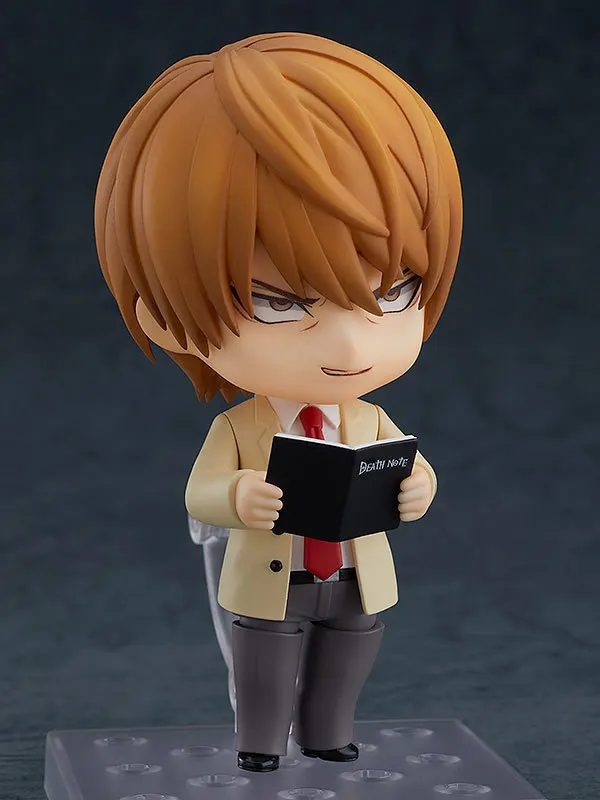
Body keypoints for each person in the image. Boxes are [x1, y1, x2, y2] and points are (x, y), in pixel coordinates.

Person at [94, 32, 462, 774]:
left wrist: (418, 486)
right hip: (271, 580)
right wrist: (237, 495)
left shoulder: (368, 420)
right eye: (280, 303)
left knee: (346, 658)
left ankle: (327, 734)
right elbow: (200, 491)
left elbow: (407, 468)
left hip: (353, 577)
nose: (351, 345)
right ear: (164, 317)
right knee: (262, 669)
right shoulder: (242, 427)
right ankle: (260, 745)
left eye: (395, 291)